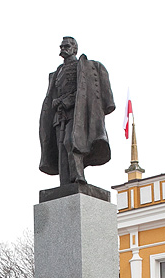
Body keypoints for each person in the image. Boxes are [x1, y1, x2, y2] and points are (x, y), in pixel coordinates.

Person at [38, 36, 115, 185]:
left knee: (71, 141)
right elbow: (54, 94)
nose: (63, 49)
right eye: (61, 47)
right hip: (59, 114)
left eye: (66, 46)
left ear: (74, 48)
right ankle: (66, 182)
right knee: (61, 148)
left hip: (78, 113)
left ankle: (78, 175)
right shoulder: (56, 73)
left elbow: (82, 91)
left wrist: (69, 100)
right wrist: (56, 101)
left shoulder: (85, 66)